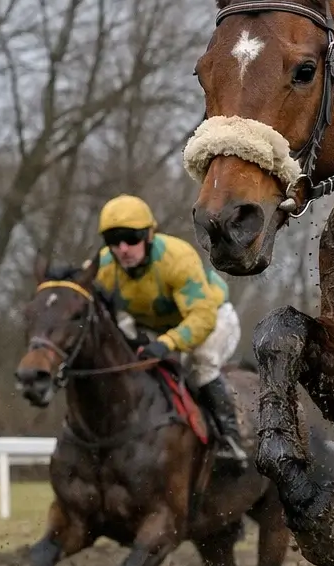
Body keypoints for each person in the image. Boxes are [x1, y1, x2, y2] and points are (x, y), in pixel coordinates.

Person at [95, 194, 247, 463]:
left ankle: (230, 439)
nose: (123, 249)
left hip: (212, 318)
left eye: (131, 238)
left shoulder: (177, 257)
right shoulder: (105, 266)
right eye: (113, 241)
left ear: (149, 235)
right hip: (159, 328)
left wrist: (167, 343)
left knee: (198, 365)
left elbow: (201, 318)